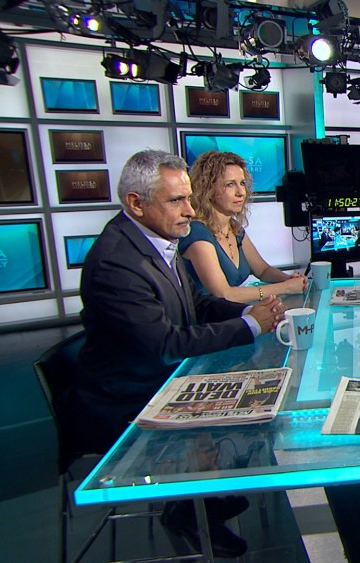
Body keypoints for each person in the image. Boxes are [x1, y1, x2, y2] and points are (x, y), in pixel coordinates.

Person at [71, 149, 285, 558]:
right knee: (248, 416)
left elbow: (196, 306)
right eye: (176, 201)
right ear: (136, 203)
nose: (190, 210)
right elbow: (165, 345)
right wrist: (250, 326)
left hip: (155, 380)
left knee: (262, 394)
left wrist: (245, 313)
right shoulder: (117, 262)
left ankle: (209, 499)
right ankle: (190, 509)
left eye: (188, 198)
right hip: (126, 399)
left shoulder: (157, 241)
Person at [179, 150, 307, 303]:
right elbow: (224, 294)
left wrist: (287, 279)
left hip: (235, 312)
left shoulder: (235, 228)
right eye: (230, 185)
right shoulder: (197, 232)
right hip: (209, 316)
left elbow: (263, 270)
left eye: (242, 183)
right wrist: (284, 288)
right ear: (208, 190)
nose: (241, 192)